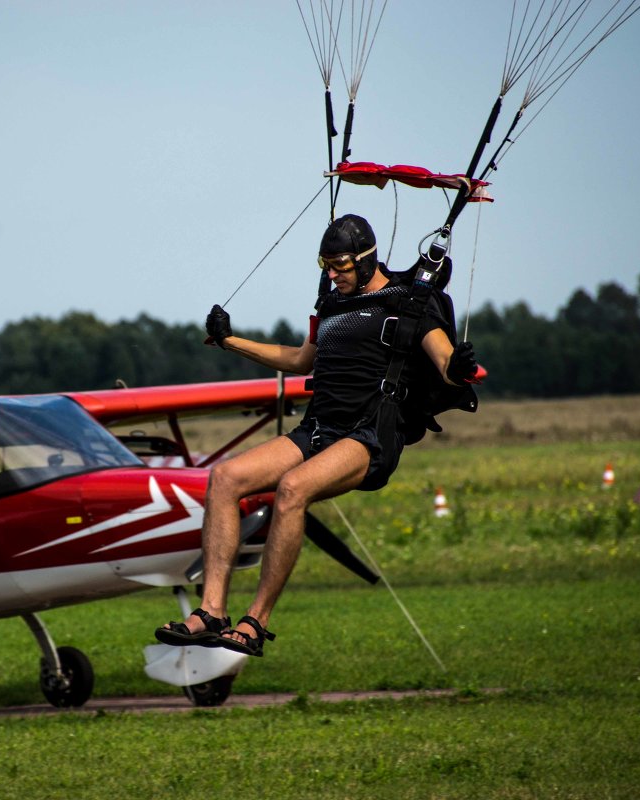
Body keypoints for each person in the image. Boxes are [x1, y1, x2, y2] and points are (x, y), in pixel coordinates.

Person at [155, 213, 479, 657]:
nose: (332, 274)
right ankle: (212, 611)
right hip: (318, 429)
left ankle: (256, 621)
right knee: (225, 479)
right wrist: (230, 341)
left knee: (292, 488)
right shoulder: (332, 305)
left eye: (340, 265)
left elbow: (445, 359)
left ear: (366, 260)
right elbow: (300, 360)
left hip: (369, 437)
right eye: (326, 265)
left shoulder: (410, 303)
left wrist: (457, 371)